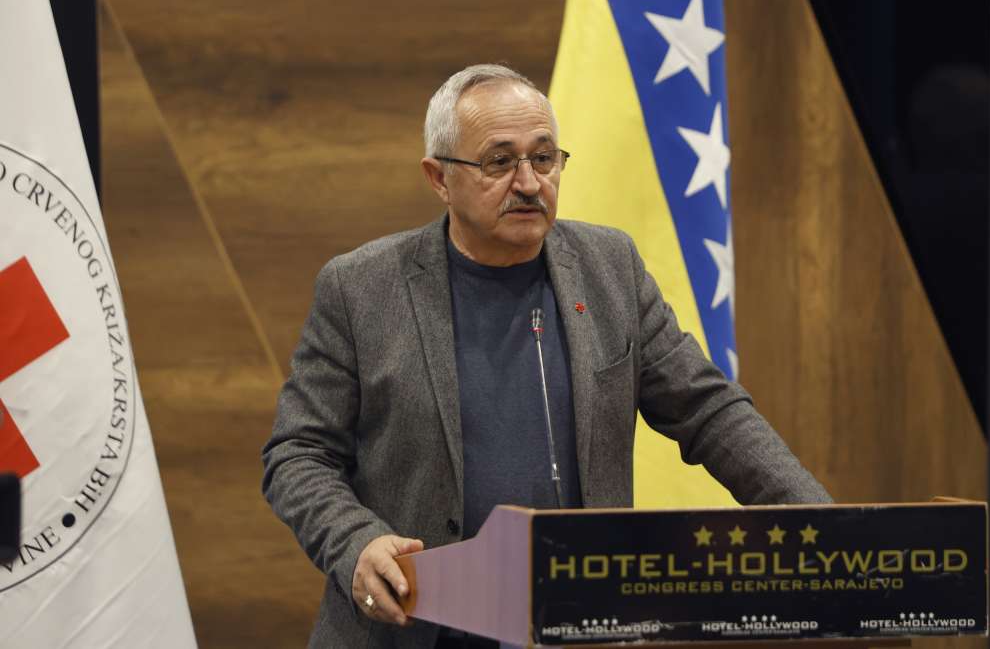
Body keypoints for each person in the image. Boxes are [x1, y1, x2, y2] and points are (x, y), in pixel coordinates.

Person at [261, 64, 831, 649]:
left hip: (581, 626)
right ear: (439, 178)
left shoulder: (610, 267)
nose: (530, 183)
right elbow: (298, 453)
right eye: (499, 162)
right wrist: (355, 543)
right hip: (412, 629)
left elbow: (709, 412)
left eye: (544, 158)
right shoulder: (361, 289)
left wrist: (823, 526)